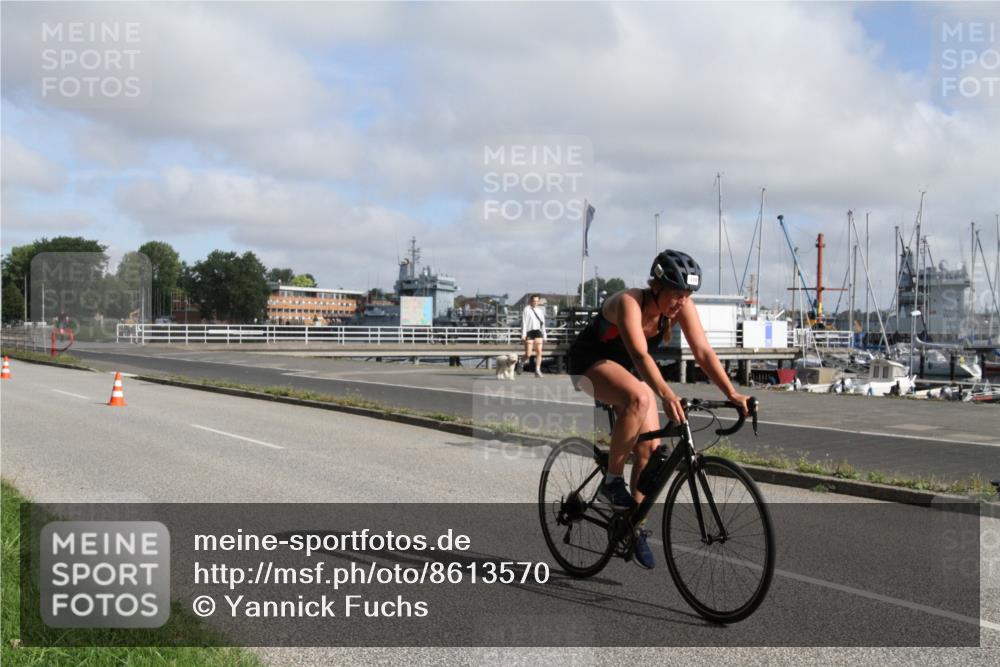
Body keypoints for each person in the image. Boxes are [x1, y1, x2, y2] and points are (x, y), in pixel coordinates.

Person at [566, 250, 751, 569]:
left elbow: (703, 352)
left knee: (650, 450)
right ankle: (612, 482)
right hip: (588, 365)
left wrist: (732, 393)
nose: (682, 301)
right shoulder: (629, 302)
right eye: (677, 294)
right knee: (640, 397)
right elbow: (640, 355)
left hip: (627, 371)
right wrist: (667, 394)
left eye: (687, 295)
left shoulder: (681, 307)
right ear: (657, 287)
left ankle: (632, 524)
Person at [520, 294, 547, 378]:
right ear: (530, 301)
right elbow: (524, 322)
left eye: (537, 301)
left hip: (538, 332)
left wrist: (544, 335)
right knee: (528, 354)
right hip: (529, 332)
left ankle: (537, 370)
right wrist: (523, 334)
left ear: (538, 302)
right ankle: (521, 363)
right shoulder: (526, 309)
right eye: (534, 301)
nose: (535, 302)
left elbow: (543, 324)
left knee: (539, 351)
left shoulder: (540, 311)